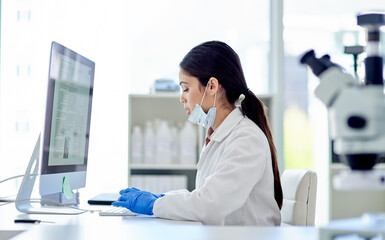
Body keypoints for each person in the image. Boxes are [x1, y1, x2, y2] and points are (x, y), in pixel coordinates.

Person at [113, 40, 283, 226]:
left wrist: (155, 204)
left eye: (186, 88)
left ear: (212, 86)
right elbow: (205, 196)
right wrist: (162, 198)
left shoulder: (246, 138)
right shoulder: (219, 134)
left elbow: (211, 204)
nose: (181, 98)